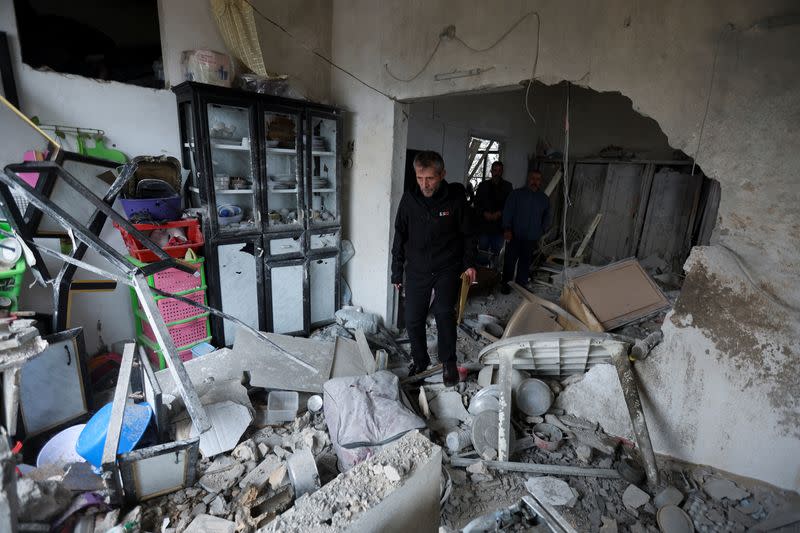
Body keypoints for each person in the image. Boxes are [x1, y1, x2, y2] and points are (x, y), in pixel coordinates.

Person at [391, 151, 477, 386]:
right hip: (417, 268)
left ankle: (449, 362)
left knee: (443, 313)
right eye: (419, 178)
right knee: (412, 318)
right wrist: (396, 271)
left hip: (446, 267)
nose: (424, 184)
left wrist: (469, 264)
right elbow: (400, 235)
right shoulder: (410, 199)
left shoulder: (455, 200)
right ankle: (420, 360)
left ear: (442, 175)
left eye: (429, 178)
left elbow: (469, 234)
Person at [501, 169, 551, 294]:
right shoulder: (516, 194)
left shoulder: (544, 199)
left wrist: (542, 230)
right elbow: (508, 212)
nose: (535, 181)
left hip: (531, 237)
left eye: (538, 179)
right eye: (533, 178)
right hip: (514, 235)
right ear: (528, 179)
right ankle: (506, 285)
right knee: (509, 262)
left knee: (525, 262)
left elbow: (547, 216)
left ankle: (520, 286)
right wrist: (507, 228)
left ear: (540, 182)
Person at [474, 161, 512, 268]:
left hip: (499, 227)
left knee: (496, 254)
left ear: (502, 172)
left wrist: (500, 213)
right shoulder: (483, 186)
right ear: (491, 171)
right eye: (495, 170)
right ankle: (481, 276)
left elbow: (510, 206)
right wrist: (484, 213)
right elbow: (477, 204)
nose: (497, 173)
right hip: (484, 226)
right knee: (482, 253)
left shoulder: (508, 187)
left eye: (499, 170)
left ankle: (493, 276)